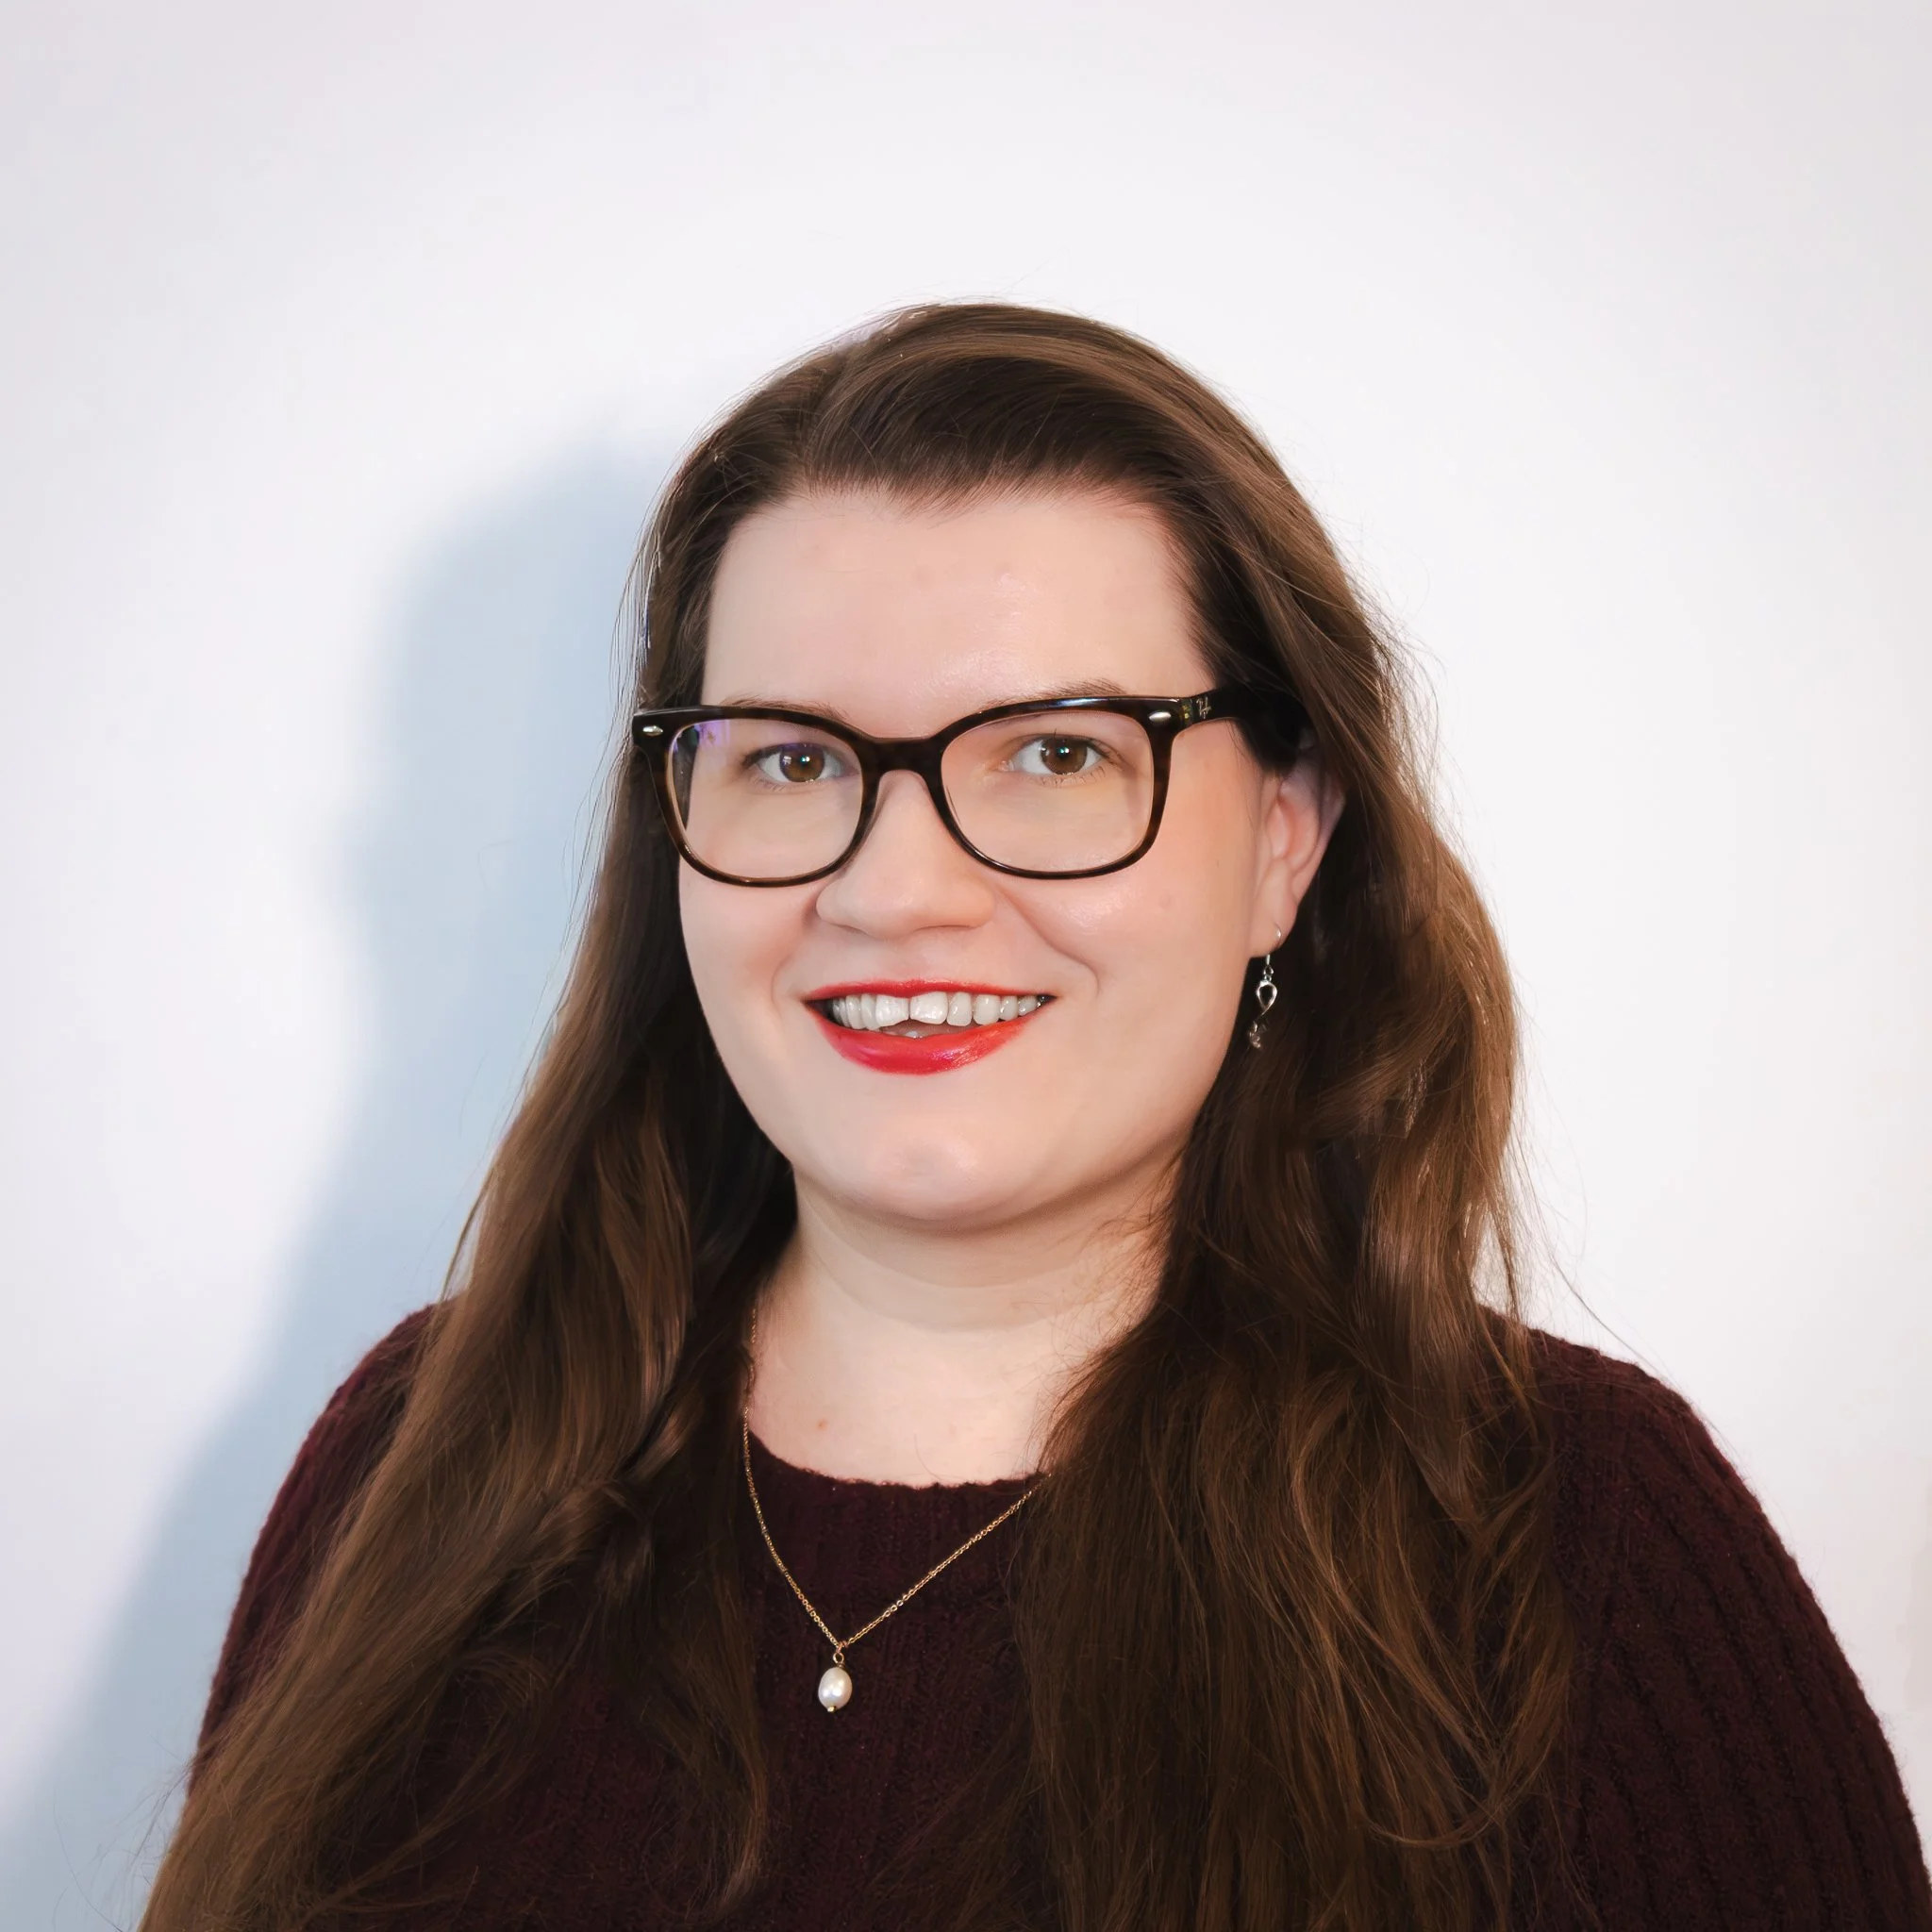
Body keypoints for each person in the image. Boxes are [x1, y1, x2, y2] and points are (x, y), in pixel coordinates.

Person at [144, 304, 1929, 1932]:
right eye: (791, 757)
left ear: (1286, 842)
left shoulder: (1584, 1545)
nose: (898, 887)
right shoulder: (418, 1459)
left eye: (1062, 752)